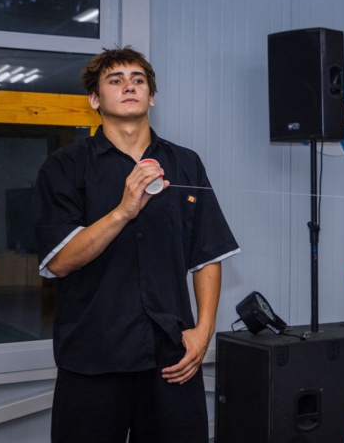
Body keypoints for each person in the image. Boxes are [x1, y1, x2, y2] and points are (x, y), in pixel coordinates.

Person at [33, 46, 240, 442]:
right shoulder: (64, 166)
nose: (129, 86)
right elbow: (59, 261)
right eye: (115, 80)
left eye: (138, 80)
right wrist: (123, 211)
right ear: (95, 99)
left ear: (151, 96)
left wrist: (203, 331)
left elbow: (208, 254)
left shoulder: (185, 163)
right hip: (92, 359)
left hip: (172, 359)